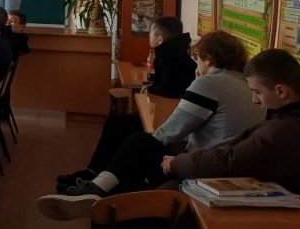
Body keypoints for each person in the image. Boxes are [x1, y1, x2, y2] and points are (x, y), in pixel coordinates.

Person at [38, 31, 265, 218]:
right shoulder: (244, 84)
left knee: (139, 143)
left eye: (197, 60)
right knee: (133, 146)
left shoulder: (210, 83)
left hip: (202, 170)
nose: (196, 66)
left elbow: (169, 134)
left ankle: (96, 192)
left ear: (209, 58)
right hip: (231, 169)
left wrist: (149, 149)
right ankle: (97, 189)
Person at [163, 49, 300, 193]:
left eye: (257, 92)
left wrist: (176, 163)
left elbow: (229, 162)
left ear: (281, 91)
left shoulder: (286, 130)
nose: (254, 100)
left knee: (168, 194)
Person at [56, 16, 196, 191]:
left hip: (168, 121)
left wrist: (152, 88)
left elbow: (169, 88)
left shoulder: (168, 54)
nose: (148, 36)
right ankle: (98, 173)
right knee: (118, 124)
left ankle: (97, 174)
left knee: (120, 127)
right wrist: (153, 86)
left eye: (151, 33)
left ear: (160, 39)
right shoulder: (177, 51)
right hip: (170, 114)